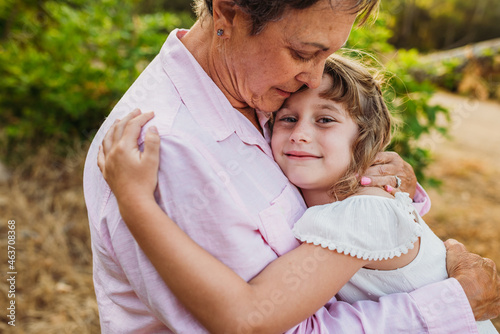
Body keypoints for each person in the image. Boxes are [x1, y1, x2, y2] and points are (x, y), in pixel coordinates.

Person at [83, 0, 500, 332]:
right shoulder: (170, 147)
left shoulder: (262, 92)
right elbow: (252, 322)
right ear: (228, 12)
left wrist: (391, 183)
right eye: (303, 52)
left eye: (328, 55)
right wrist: (453, 304)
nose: (313, 78)